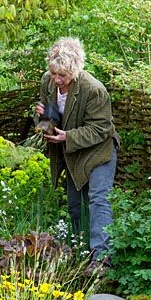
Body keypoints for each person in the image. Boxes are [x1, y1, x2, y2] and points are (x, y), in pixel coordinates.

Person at [35, 37, 119, 271]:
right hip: (73, 151)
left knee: (98, 200)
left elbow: (101, 128)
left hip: (99, 150)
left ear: (75, 70)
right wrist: (41, 117)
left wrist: (67, 137)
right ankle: (80, 252)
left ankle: (101, 260)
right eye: (54, 73)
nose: (57, 80)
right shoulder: (48, 82)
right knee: (75, 204)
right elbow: (51, 117)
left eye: (63, 75)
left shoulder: (94, 90)